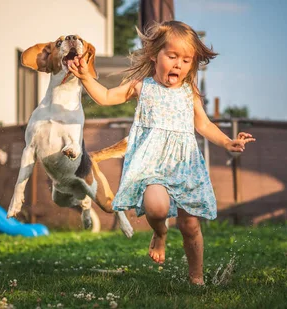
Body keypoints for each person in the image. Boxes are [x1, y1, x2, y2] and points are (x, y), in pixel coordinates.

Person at [68, 20, 256, 285]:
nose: (179, 64)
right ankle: (160, 233)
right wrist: (86, 76)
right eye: (172, 56)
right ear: (155, 55)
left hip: (184, 165)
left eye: (187, 60)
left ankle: (196, 278)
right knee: (156, 209)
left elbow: (203, 124)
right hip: (151, 165)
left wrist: (228, 142)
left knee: (190, 226)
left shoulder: (189, 93)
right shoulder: (141, 87)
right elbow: (107, 97)